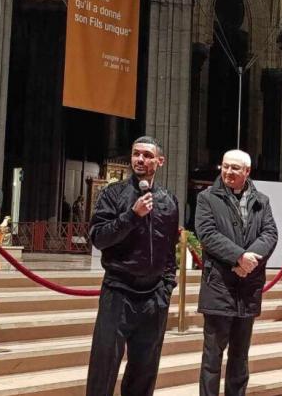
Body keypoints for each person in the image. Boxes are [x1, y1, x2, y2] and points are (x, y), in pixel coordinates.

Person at [86, 136, 179, 396]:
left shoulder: (169, 201)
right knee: (103, 367)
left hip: (154, 297)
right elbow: (99, 237)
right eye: (136, 154)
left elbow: (170, 251)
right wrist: (131, 215)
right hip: (119, 291)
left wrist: (167, 286)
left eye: (148, 155)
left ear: (160, 161)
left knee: (144, 370)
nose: (141, 159)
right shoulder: (112, 194)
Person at [195, 149, 278, 396]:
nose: (228, 172)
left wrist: (250, 261)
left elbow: (270, 233)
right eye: (225, 166)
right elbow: (207, 233)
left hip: (248, 287)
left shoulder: (262, 200)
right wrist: (239, 257)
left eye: (235, 168)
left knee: (240, 358)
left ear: (247, 172)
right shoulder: (207, 198)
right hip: (219, 286)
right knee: (212, 358)